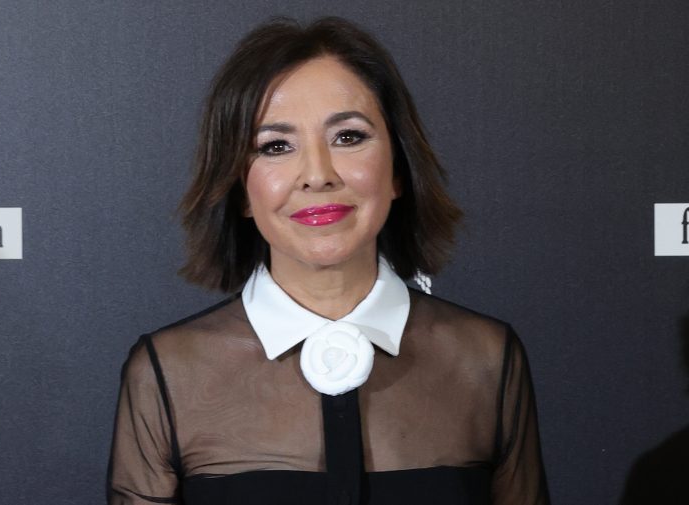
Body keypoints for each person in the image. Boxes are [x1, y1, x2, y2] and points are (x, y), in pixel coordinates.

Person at [107, 16, 550, 505]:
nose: (317, 174)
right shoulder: (169, 372)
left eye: (348, 137)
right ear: (240, 189)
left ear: (398, 170)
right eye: (276, 146)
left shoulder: (485, 359)